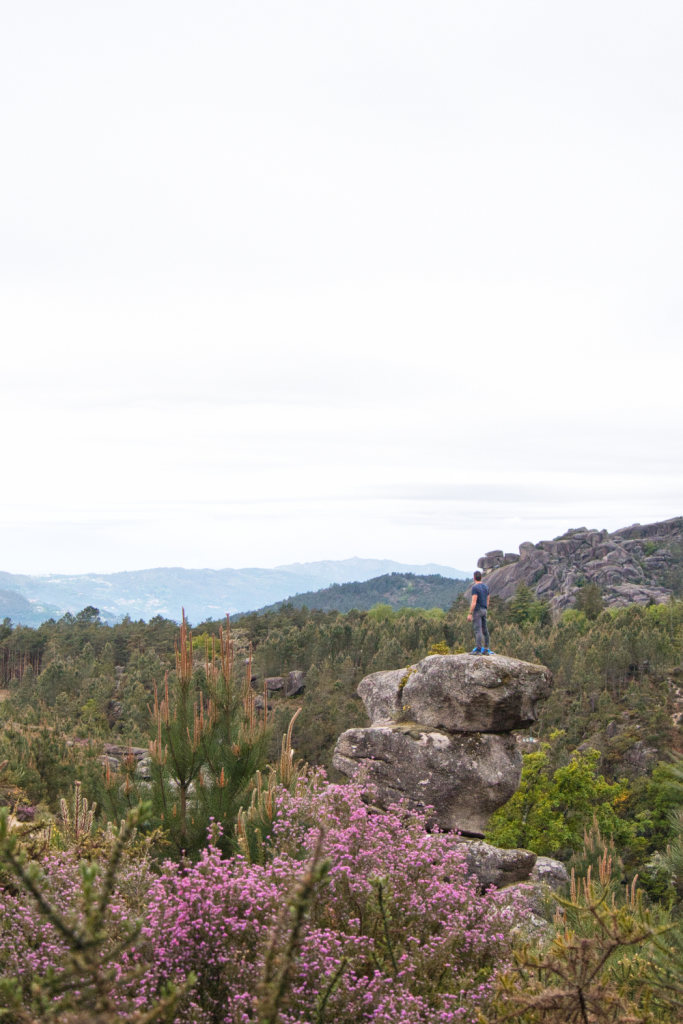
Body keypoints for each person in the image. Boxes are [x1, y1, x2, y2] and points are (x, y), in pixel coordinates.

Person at [467, 570, 492, 655]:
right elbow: (488, 600)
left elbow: (474, 602)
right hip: (484, 610)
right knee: (485, 630)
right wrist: (485, 608)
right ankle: (486, 649)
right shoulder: (486, 587)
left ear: (474, 578)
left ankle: (478, 649)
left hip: (477, 610)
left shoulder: (475, 588)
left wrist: (470, 613)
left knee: (478, 630)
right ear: (481, 577)